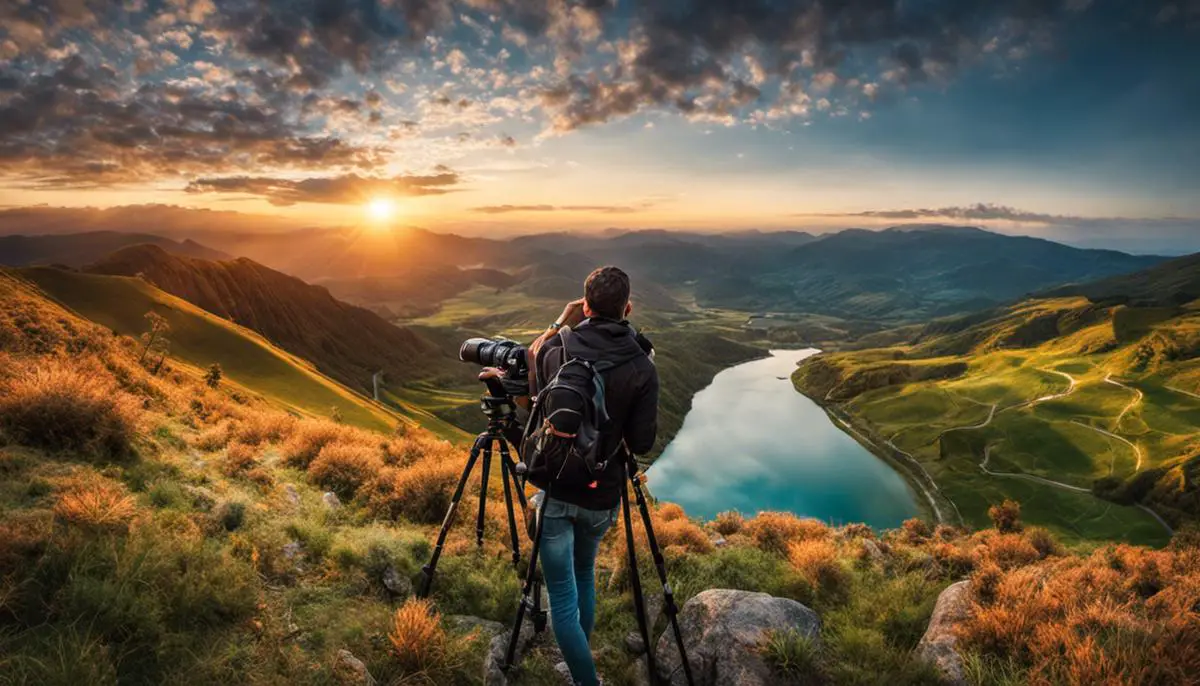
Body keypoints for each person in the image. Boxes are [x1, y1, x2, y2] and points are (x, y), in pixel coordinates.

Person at [526, 266, 658, 686]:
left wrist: (558, 323)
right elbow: (641, 444)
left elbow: (534, 387)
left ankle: (585, 678)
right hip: (602, 493)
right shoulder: (641, 364)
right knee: (584, 573)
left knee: (561, 593)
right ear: (628, 307)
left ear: (585, 306)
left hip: (555, 485)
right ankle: (580, 666)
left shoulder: (556, 348)